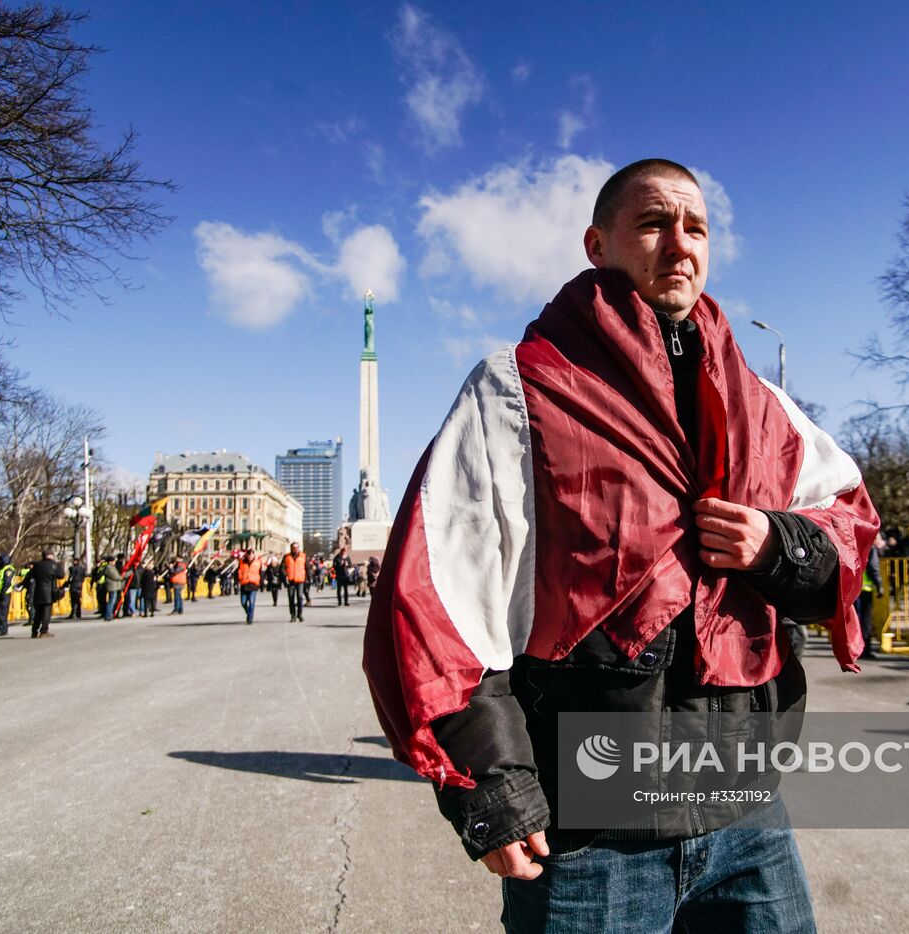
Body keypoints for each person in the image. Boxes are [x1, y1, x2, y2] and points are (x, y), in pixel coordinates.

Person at [362, 159, 875, 933]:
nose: (680, 244)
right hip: (592, 845)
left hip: (747, 816)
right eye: (653, 223)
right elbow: (441, 603)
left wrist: (778, 544)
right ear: (597, 244)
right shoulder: (520, 388)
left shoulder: (763, 404)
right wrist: (491, 791)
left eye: (696, 227)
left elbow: (848, 520)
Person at [24, 548, 65, 639]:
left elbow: (31, 576)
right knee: (46, 613)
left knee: (38, 612)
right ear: (50, 556)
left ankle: (34, 631)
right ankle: (44, 631)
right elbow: (61, 575)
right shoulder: (53, 565)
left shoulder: (37, 565)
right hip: (49, 592)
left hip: (37, 591)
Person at [857, 533, 884, 659]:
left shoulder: (854, 545)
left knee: (855, 620)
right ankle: (865, 649)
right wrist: (879, 585)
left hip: (853, 590)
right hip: (865, 590)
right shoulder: (870, 549)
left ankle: (854, 649)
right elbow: (873, 568)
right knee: (865, 621)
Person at [283, 543, 307, 622]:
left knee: (300, 597)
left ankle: (300, 614)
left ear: (299, 548)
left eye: (297, 547)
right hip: (290, 580)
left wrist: (308, 578)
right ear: (291, 548)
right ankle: (293, 615)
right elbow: (282, 568)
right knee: (291, 598)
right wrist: (285, 575)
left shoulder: (303, 556)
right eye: (294, 547)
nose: (295, 549)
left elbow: (307, 567)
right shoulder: (286, 557)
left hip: (300, 580)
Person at [236, 549, 261, 624]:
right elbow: (238, 572)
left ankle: (250, 618)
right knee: (243, 602)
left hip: (253, 584)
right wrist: (239, 579)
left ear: (253, 555)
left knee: (251, 602)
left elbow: (261, 573)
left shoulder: (258, 562)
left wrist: (261, 582)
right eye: (248, 555)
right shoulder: (241, 562)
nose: (250, 556)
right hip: (244, 584)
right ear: (246, 555)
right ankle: (249, 613)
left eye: (251, 555)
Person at [103, 556, 124, 621]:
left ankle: (110, 614)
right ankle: (108, 615)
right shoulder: (109, 568)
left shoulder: (112, 567)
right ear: (110, 562)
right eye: (113, 561)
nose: (115, 562)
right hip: (112, 587)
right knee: (111, 601)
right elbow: (115, 576)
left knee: (113, 601)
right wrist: (122, 577)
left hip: (115, 586)